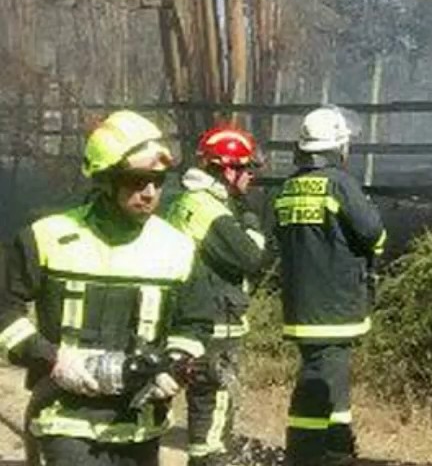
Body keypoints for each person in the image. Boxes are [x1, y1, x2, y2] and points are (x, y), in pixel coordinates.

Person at [0, 110, 214, 466]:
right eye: (137, 181)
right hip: (63, 418)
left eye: (158, 181)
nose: (150, 193)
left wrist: (173, 363)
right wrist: (52, 359)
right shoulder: (47, 238)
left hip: (141, 425)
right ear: (104, 180)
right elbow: (5, 312)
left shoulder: (177, 248)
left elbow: (195, 323)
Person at [274, 106, 385, 466]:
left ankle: (330, 447)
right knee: (323, 383)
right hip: (335, 305)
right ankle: (316, 453)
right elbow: (373, 232)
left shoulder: (288, 187)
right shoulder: (339, 184)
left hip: (300, 305)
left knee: (324, 378)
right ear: (338, 147)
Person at [164, 125, 269, 465]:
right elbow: (251, 258)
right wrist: (250, 220)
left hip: (187, 317)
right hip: (215, 320)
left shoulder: (185, 202)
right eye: (247, 168)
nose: (251, 176)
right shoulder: (211, 211)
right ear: (227, 169)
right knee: (215, 399)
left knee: (197, 397)